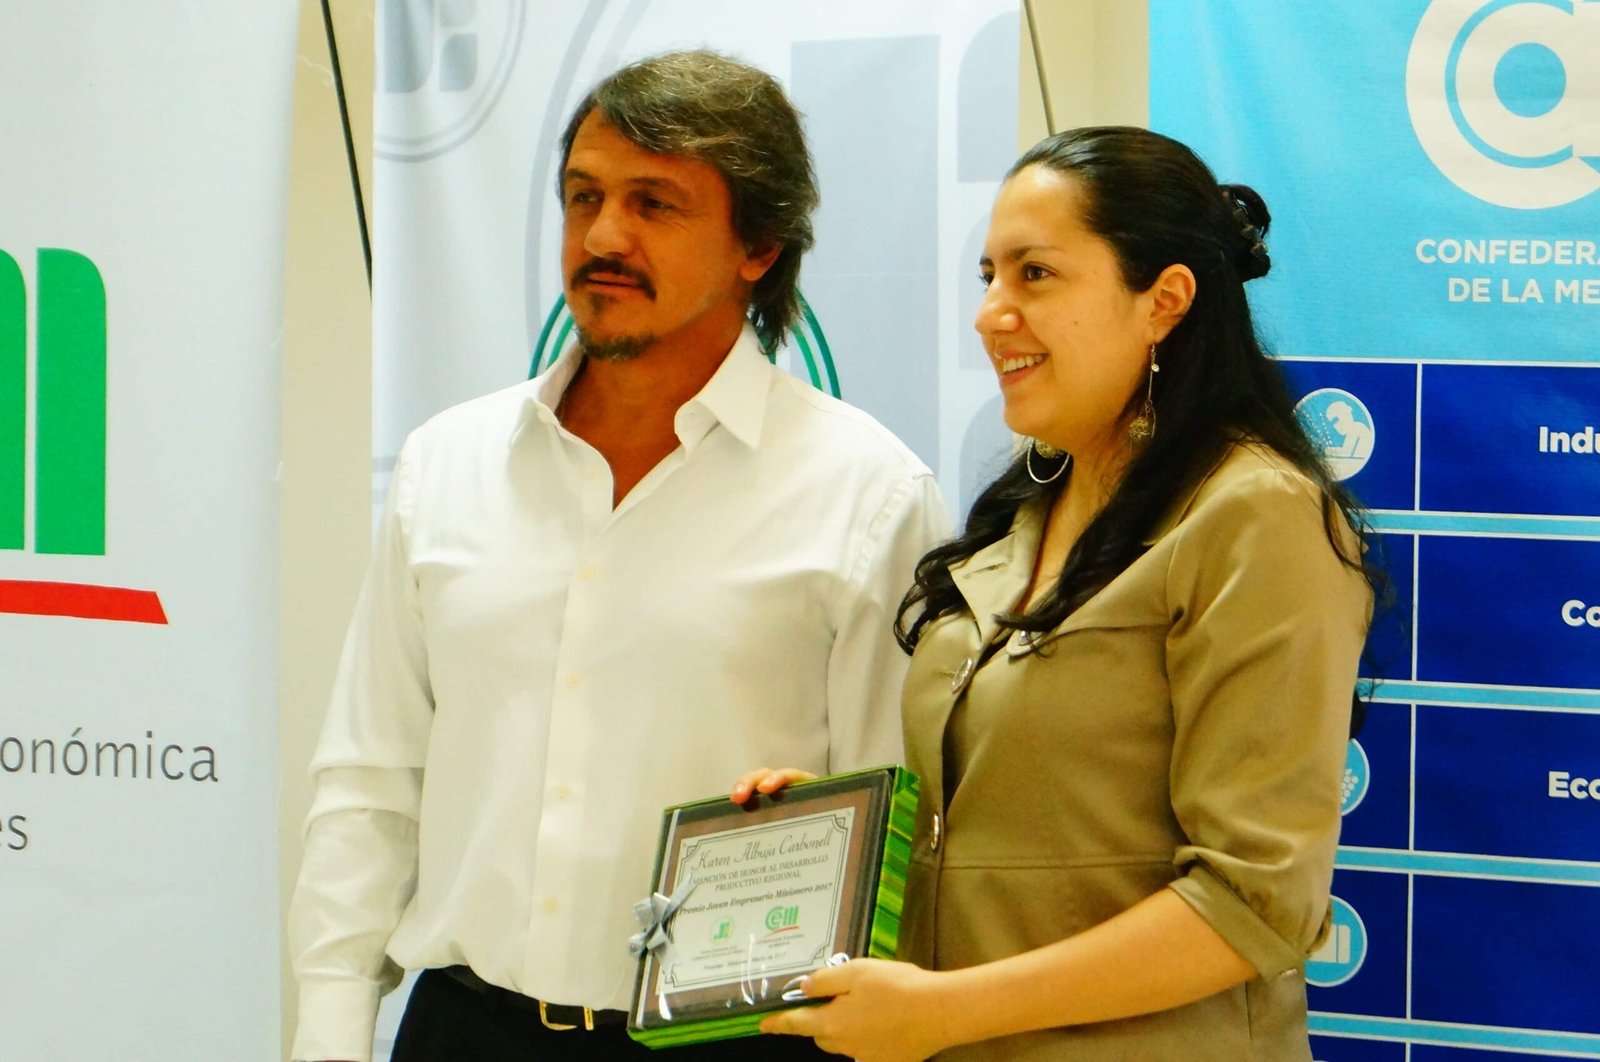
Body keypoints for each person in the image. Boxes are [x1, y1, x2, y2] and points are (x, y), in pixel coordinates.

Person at [288, 50, 949, 1062]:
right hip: (465, 1028)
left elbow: (892, 834)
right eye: (583, 196)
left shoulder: (867, 493)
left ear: (758, 246)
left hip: (731, 1039)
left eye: (654, 203)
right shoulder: (448, 463)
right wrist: (329, 1032)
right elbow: (374, 783)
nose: (602, 236)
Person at [736, 126, 1379, 1060]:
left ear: (1164, 302)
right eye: (989, 276)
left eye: (1035, 274)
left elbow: (1254, 903)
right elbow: (1030, 816)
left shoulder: (1256, 514)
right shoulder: (1031, 509)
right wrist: (850, 838)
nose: (991, 313)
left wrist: (946, 1012)